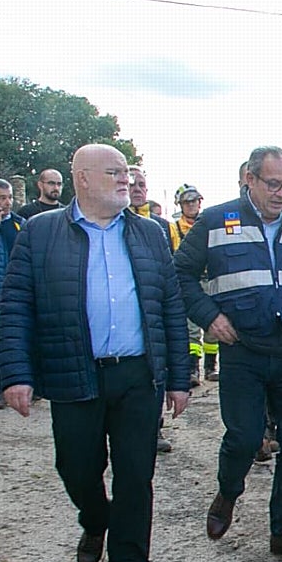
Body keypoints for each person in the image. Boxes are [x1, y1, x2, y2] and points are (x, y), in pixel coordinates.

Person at [0, 143, 190, 562]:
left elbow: (169, 307)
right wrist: (15, 373)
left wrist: (179, 378)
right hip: (73, 371)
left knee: (135, 474)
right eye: (113, 172)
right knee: (76, 467)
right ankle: (95, 518)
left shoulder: (150, 233)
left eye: (126, 172)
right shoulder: (41, 233)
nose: (125, 180)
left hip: (137, 374)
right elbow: (17, 305)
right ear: (81, 179)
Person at [174, 146, 282, 562]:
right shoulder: (215, 221)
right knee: (245, 438)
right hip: (241, 350)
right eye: (274, 185)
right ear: (250, 178)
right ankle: (228, 493)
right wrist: (209, 316)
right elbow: (179, 276)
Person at [128, 166, 175, 454]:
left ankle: (154, 427)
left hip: (152, 309)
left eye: (141, 184)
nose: (135, 188)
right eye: (131, 183)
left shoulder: (160, 226)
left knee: (155, 369)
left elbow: (170, 267)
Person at [169, 184, 219, 384]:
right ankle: (192, 370)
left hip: (210, 280)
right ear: (180, 205)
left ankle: (210, 367)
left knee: (213, 327)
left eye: (194, 201)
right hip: (190, 282)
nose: (191, 205)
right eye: (187, 202)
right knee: (190, 329)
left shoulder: (209, 224)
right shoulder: (174, 228)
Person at [0, 179, 25, 409]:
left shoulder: (18, 223)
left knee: (13, 339)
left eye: (9, 197)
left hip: (12, 291)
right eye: (1, 198)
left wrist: (5, 224)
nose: (7, 202)